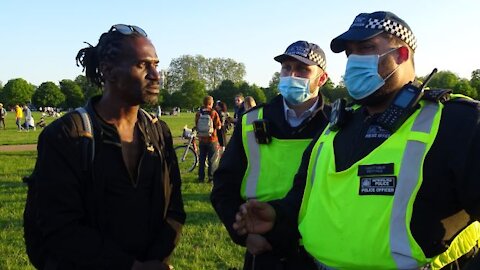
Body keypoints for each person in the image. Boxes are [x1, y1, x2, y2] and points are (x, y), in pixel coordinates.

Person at [233, 11, 480, 270]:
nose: (354, 62)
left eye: (366, 48)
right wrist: (277, 215)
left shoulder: (458, 122)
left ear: (402, 54)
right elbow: (305, 197)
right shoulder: (336, 125)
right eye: (350, 53)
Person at [26, 24, 186, 269]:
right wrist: (131, 267)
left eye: (156, 64)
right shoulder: (67, 136)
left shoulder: (159, 132)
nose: (156, 75)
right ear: (109, 70)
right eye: (143, 65)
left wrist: (156, 260)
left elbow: (174, 209)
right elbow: (59, 227)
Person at [211, 40, 330, 269]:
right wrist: (246, 235)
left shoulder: (337, 122)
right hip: (264, 249)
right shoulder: (252, 121)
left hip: (319, 250)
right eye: (286, 68)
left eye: (303, 69)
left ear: (322, 79)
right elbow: (224, 186)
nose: (291, 75)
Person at [195, 95, 221, 183]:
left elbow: (196, 124)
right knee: (212, 160)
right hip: (212, 139)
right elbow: (218, 126)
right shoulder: (213, 112)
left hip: (202, 139)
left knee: (202, 159)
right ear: (210, 103)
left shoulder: (199, 113)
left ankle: (200, 178)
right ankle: (211, 178)